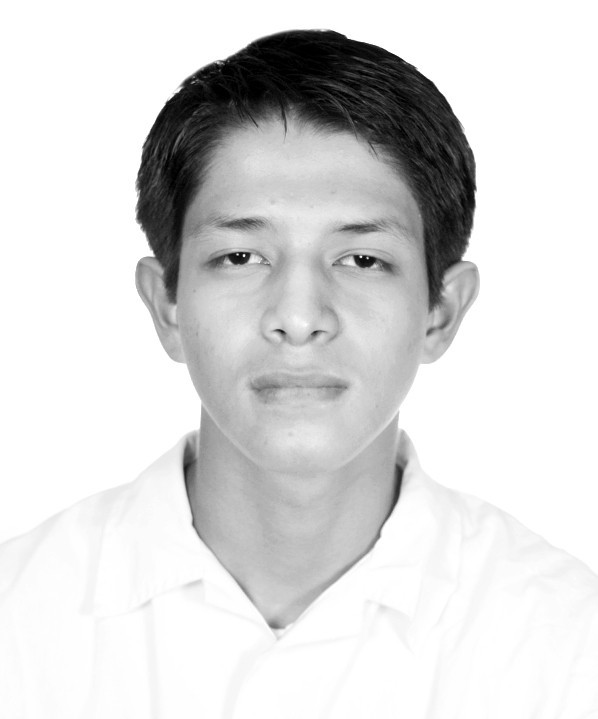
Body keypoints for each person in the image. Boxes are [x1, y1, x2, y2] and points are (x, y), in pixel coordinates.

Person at [1, 28, 596, 719]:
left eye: (362, 260)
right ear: (166, 304)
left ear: (441, 311)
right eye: (241, 257)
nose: (299, 317)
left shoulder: (568, 646)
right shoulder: (18, 622)